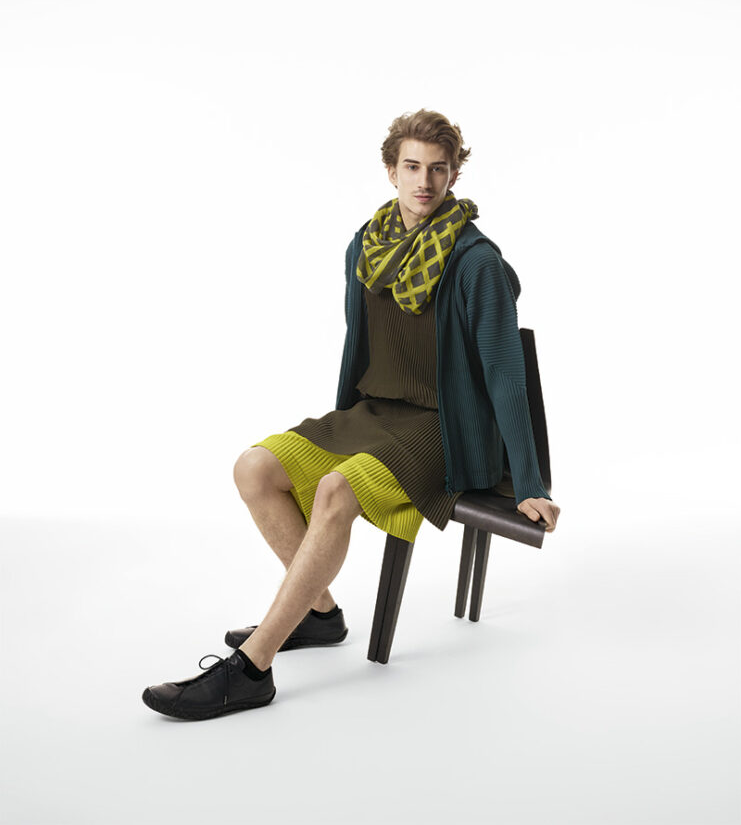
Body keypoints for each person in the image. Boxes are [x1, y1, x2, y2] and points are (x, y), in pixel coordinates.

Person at [141, 108, 561, 721]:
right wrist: (343, 420)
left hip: (441, 427)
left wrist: (529, 483)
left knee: (337, 489)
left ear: (454, 175)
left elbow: (504, 372)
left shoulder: (477, 263)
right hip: (374, 413)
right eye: (412, 167)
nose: (424, 181)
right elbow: (357, 343)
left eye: (438, 169)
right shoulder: (366, 246)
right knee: (254, 468)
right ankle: (319, 613)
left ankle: (252, 669)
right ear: (392, 171)